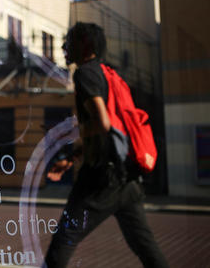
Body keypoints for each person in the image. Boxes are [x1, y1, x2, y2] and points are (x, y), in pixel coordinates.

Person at [43, 22, 168, 268]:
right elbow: (109, 132)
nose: (63, 47)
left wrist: (65, 135)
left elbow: (103, 123)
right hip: (127, 179)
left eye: (69, 42)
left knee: (64, 239)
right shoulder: (108, 74)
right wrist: (72, 158)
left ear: (84, 45)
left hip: (101, 180)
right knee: (145, 245)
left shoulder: (85, 74)